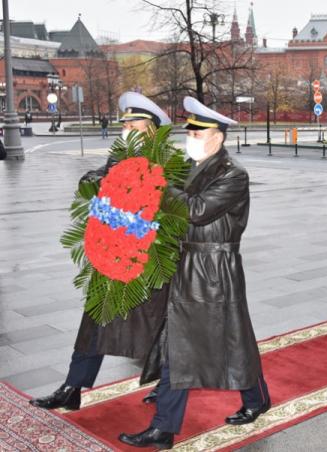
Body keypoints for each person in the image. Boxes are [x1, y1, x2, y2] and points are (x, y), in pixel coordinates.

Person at [119, 97, 270, 449]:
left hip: (215, 270)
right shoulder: (191, 165)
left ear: (216, 137)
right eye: (189, 131)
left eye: (196, 132)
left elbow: (198, 210)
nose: (190, 137)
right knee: (193, 345)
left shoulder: (233, 174)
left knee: (226, 341)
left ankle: (169, 426)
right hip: (188, 263)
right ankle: (169, 425)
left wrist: (156, 183)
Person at [29, 92, 172, 411]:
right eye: (125, 123)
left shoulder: (165, 161)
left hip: (146, 262)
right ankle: (72, 387)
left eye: (133, 123)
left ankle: (168, 384)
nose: (126, 128)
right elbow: (88, 182)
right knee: (93, 322)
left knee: (155, 326)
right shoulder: (120, 158)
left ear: (152, 129)